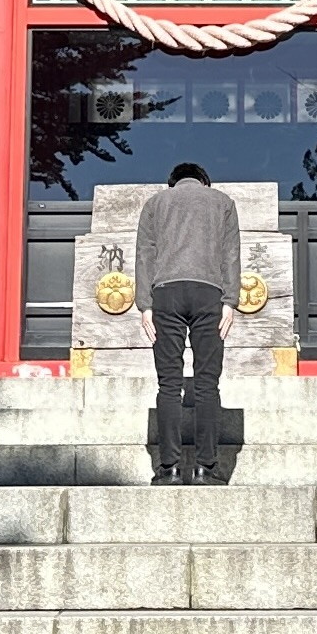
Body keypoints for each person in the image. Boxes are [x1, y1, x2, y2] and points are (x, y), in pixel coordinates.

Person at [133, 160, 242, 484]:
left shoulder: (155, 204)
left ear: (173, 182)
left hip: (166, 294)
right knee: (207, 383)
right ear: (203, 182)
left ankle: (168, 469)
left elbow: (144, 254)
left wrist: (145, 305)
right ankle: (206, 469)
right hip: (209, 293)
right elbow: (231, 254)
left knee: (169, 384)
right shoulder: (223, 202)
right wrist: (230, 301)